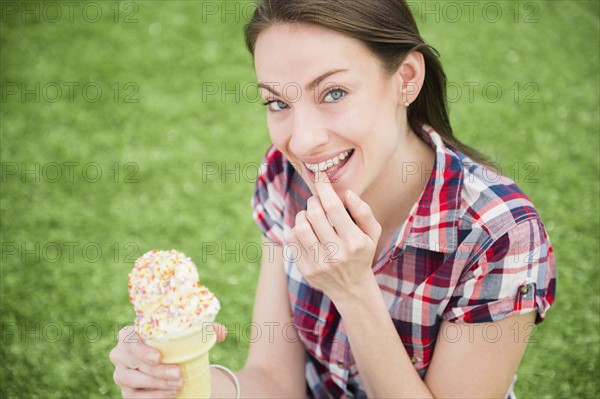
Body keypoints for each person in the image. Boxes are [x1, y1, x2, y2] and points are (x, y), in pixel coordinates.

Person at [109, 0, 556, 397]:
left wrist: (355, 292)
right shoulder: (287, 178)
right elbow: (274, 380)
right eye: (277, 103)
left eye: (334, 93)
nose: (302, 143)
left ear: (406, 79)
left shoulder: (499, 231)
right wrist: (186, 386)